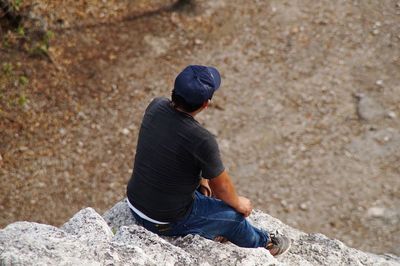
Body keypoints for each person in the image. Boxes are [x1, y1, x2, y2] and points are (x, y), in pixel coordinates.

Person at [126, 65, 291, 256]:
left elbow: (171, 150)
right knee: (233, 217)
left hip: (135, 201)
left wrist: (202, 182)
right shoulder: (202, 139)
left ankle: (211, 224)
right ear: (206, 103)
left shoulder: (156, 105)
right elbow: (222, 189)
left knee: (206, 189)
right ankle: (265, 245)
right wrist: (239, 204)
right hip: (163, 220)